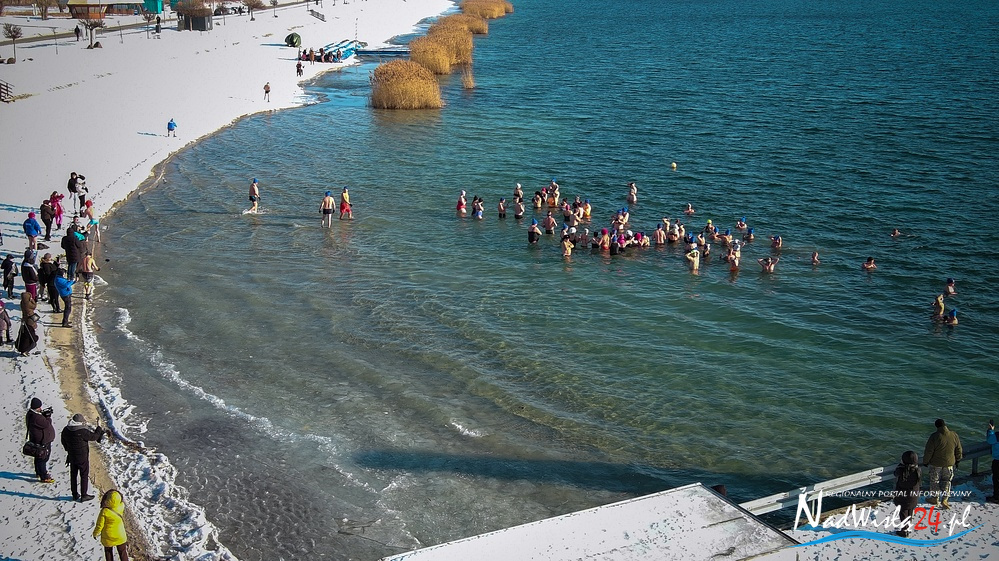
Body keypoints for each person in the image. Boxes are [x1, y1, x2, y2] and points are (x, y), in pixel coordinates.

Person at [62, 413, 105, 502]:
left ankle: (74, 494)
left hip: (72, 456)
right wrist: (99, 426)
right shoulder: (82, 431)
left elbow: (63, 441)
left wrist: (68, 450)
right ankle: (84, 495)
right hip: (82, 457)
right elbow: (94, 437)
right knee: (84, 475)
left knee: (73, 475)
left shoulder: (66, 430)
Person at [923, 418, 962, 509]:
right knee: (947, 481)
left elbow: (929, 451)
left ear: (936, 426)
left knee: (934, 481)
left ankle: (935, 498)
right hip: (949, 464)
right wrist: (958, 460)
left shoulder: (934, 436)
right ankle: (945, 500)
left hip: (936, 464)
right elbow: (959, 449)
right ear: (945, 425)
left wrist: (926, 461)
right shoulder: (954, 435)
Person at [93, 489, 130, 561]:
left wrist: (95, 533)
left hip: (108, 537)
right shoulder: (121, 506)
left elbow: (99, 525)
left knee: (108, 552)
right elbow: (121, 501)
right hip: (120, 535)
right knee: (123, 553)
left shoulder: (104, 511)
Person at [25, 397, 55, 483]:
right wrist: (48, 416)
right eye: (39, 407)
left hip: (37, 440)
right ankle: (44, 476)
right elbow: (46, 424)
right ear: (36, 407)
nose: (40, 409)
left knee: (38, 457)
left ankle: (38, 472)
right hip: (42, 441)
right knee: (43, 458)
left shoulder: (31, 414)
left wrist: (43, 415)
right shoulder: (37, 417)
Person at [892, 451, 921, 537]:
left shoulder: (901, 470)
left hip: (903, 496)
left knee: (903, 512)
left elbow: (895, 473)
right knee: (910, 510)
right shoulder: (917, 470)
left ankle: (904, 531)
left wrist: (900, 465)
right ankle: (908, 525)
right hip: (913, 495)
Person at [16, 292, 38, 356]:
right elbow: (34, 305)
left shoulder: (22, 302)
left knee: (25, 334)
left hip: (25, 319)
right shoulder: (28, 303)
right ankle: (26, 350)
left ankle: (24, 349)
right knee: (30, 334)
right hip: (30, 319)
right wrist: (32, 300)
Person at [987, 420, 999, 504]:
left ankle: (996, 497)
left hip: (998, 461)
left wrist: (990, 430)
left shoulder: (997, 435)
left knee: (996, 479)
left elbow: (990, 440)